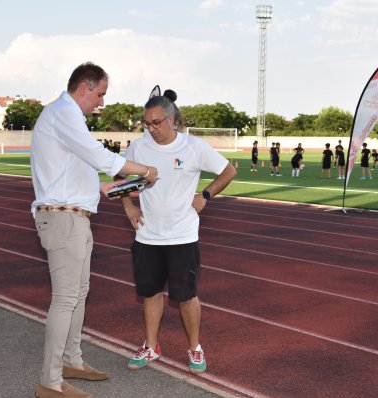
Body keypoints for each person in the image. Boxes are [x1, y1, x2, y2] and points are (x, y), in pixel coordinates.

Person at [30, 62, 159, 398]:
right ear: (84, 87)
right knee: (65, 299)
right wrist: (144, 169)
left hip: (75, 216)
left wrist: (100, 189)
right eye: (100, 94)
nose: (101, 101)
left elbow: (76, 167)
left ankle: (71, 360)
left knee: (78, 293)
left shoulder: (66, 117)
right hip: (63, 220)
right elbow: (99, 156)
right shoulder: (63, 112)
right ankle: (51, 381)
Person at [119, 90, 236, 374]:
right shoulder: (138, 148)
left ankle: (195, 348)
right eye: (147, 123)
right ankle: (151, 346)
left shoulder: (193, 147)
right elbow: (120, 177)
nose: (152, 128)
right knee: (150, 293)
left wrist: (205, 195)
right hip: (148, 236)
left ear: (172, 119)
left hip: (182, 236)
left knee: (186, 296)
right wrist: (129, 209)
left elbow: (228, 171)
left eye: (157, 122)